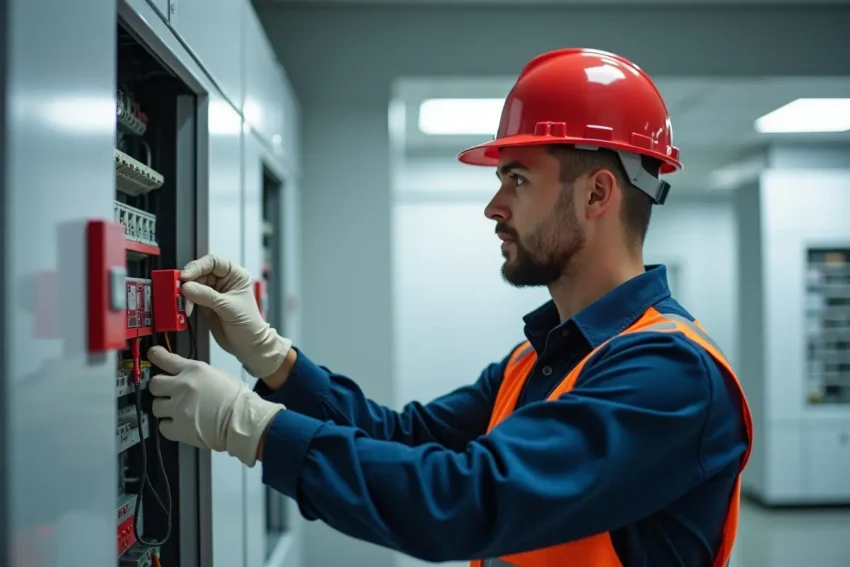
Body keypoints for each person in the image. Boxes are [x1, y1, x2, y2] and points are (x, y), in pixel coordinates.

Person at [147, 47, 753, 567]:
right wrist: (274, 359)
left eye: (516, 179)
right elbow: (404, 438)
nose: (494, 206)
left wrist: (250, 429)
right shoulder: (545, 358)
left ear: (597, 193)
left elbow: (466, 500)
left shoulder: (670, 375)